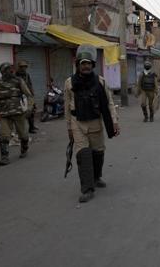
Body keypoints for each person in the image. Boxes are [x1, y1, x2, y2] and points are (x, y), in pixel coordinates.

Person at [64, 44, 119, 203]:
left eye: (89, 63)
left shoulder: (100, 81)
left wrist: (114, 121)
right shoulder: (69, 83)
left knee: (98, 152)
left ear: (92, 65)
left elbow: (109, 103)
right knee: (83, 154)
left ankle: (96, 177)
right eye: (83, 63)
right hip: (77, 122)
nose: (86, 66)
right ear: (78, 65)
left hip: (95, 122)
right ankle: (87, 188)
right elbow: (67, 107)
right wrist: (69, 126)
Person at [0, 62, 33, 166]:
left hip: (18, 112)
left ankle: (24, 148)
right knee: (4, 136)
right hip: (4, 113)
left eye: (11, 69)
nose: (11, 71)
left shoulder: (18, 81)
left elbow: (29, 95)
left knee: (23, 135)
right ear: (3, 71)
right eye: (8, 69)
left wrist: (29, 107)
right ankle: (4, 157)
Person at [16, 60, 39, 134]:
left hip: (27, 95)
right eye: (22, 67)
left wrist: (32, 94)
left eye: (25, 67)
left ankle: (31, 127)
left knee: (31, 111)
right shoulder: (16, 75)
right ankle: (21, 129)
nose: (23, 68)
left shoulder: (27, 75)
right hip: (20, 96)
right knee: (21, 113)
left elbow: (30, 84)